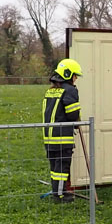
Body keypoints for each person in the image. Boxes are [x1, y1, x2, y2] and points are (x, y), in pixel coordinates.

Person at [42, 58, 82, 202]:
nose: (76, 78)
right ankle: (60, 195)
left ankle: (56, 191)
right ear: (68, 74)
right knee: (62, 167)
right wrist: (78, 120)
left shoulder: (51, 90)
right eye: (75, 75)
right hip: (62, 137)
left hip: (49, 136)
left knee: (55, 167)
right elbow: (72, 114)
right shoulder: (70, 90)